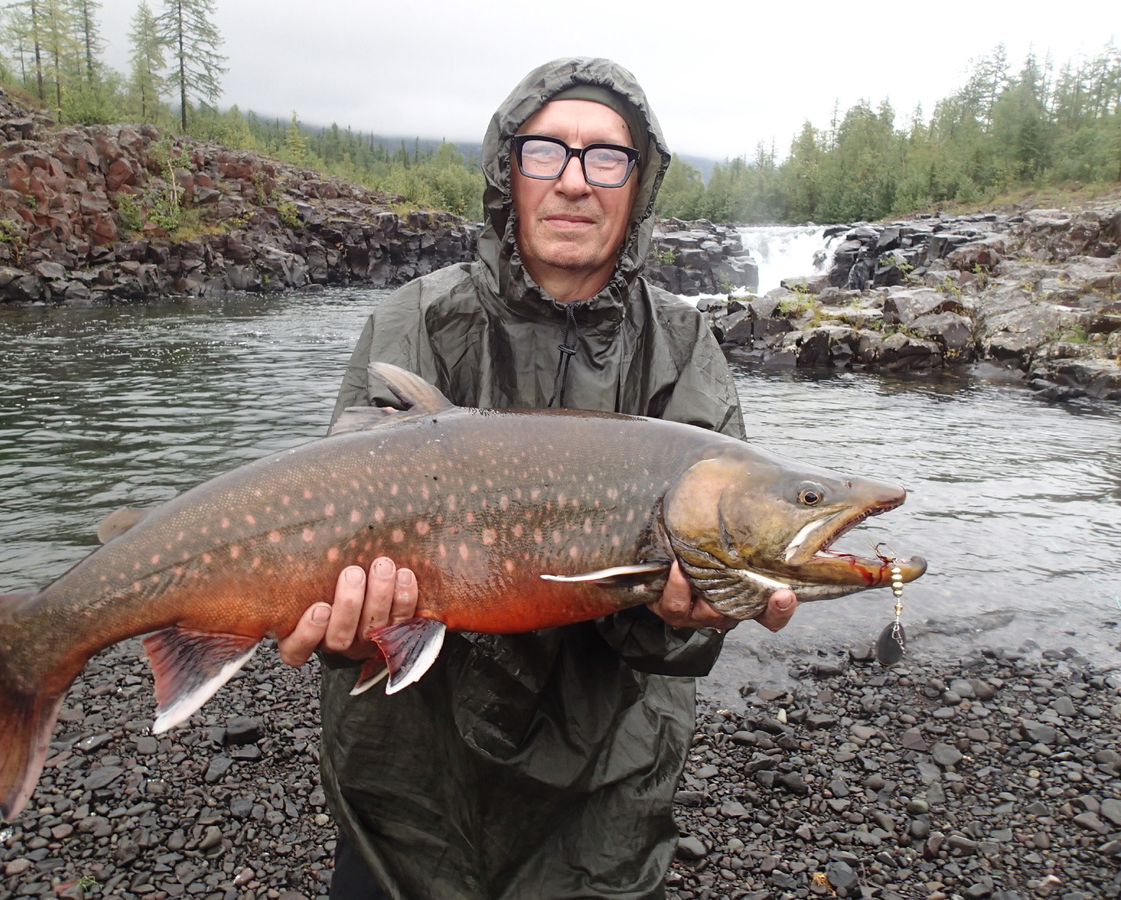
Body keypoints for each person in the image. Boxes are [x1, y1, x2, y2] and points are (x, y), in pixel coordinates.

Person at [279, 57, 798, 900]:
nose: (574, 183)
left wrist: (698, 610)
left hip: (605, 785)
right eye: (546, 153)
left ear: (638, 186)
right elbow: (334, 538)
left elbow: (687, 613)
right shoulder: (412, 320)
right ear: (507, 172)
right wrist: (347, 628)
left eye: (606, 158)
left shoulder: (682, 344)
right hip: (409, 776)